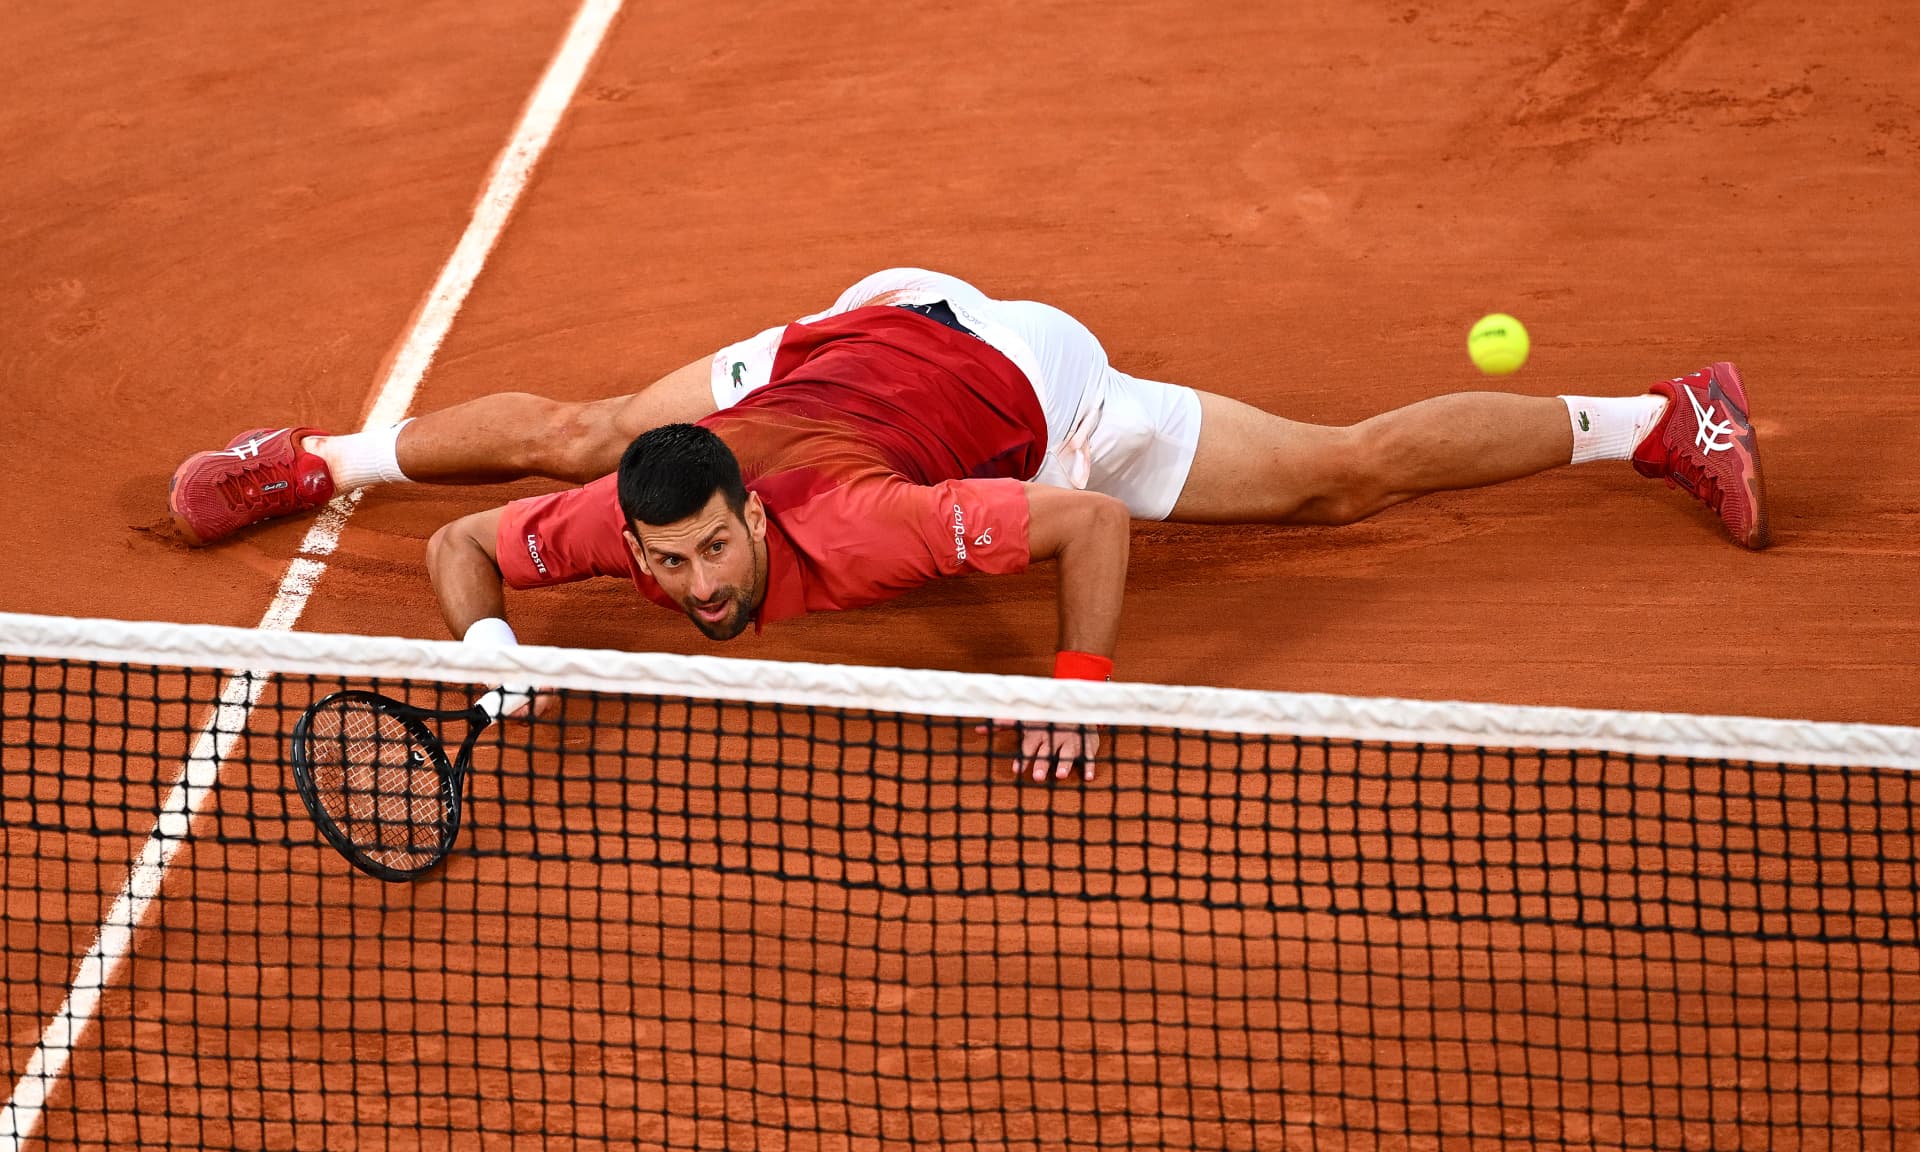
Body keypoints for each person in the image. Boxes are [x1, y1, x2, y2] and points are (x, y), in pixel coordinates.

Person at [167, 268, 1769, 777]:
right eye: (679, 563)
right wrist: (492, 649)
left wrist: (1068, 687)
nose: (703, 581)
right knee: (591, 420)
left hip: (1029, 379)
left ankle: (1663, 418)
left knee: (1333, 477)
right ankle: (306, 458)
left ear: (742, 517)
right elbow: (471, 546)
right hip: (857, 331)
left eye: (714, 548)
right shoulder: (627, 512)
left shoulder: (870, 534)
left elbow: (1082, 527)